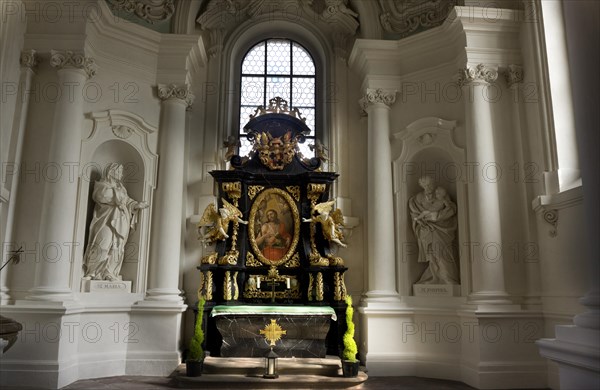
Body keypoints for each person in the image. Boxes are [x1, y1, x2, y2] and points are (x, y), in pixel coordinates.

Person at [83, 163, 148, 282]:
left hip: (121, 221)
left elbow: (127, 201)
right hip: (105, 221)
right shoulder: (102, 185)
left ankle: (109, 272)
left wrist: (136, 205)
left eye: (121, 172)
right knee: (102, 244)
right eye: (119, 171)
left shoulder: (121, 188)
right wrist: (118, 197)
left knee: (117, 247)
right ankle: (92, 271)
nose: (121, 174)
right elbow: (101, 196)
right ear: (111, 172)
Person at [408, 176, 459, 285]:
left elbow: (451, 209)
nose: (428, 187)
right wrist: (420, 221)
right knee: (431, 255)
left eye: (430, 185)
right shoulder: (419, 197)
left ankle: (447, 278)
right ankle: (434, 277)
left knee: (442, 253)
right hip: (426, 230)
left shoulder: (441, 193)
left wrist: (437, 216)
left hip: (442, 229)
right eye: (425, 185)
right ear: (421, 186)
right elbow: (414, 213)